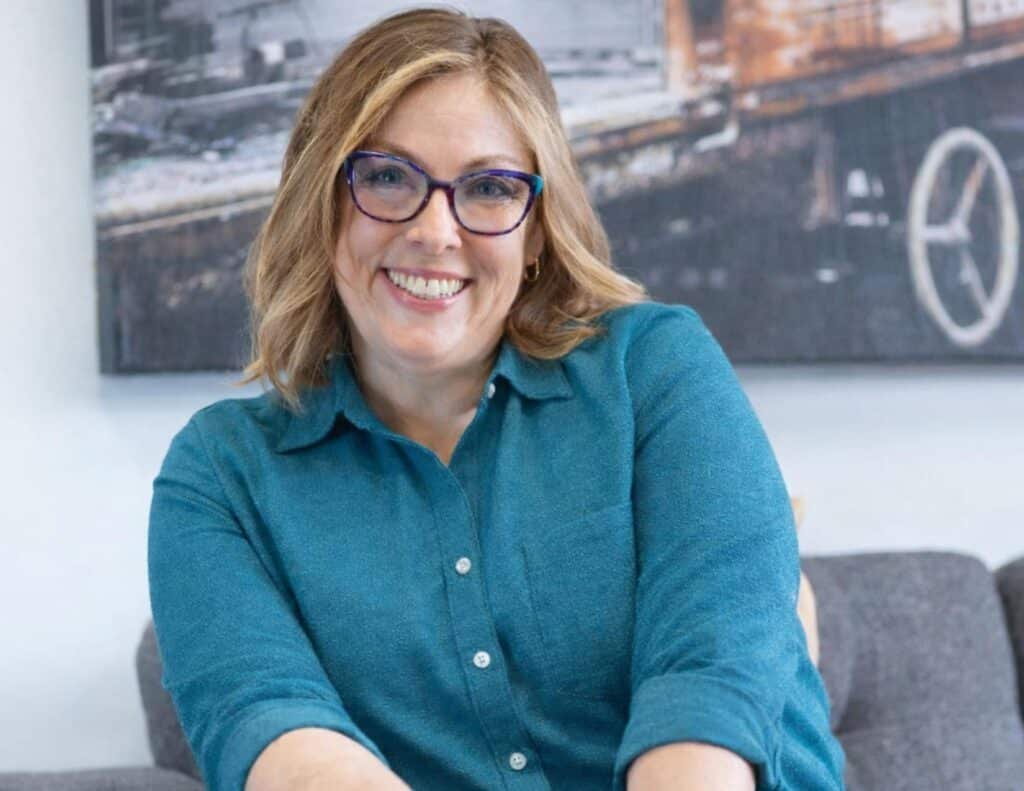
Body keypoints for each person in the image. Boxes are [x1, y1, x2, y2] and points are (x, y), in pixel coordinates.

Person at [147, 7, 846, 791]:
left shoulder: (653, 368)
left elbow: (708, 690)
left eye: (487, 187)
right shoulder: (220, 476)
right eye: (386, 176)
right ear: (323, 199)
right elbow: (279, 738)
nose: (434, 229)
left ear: (537, 230)